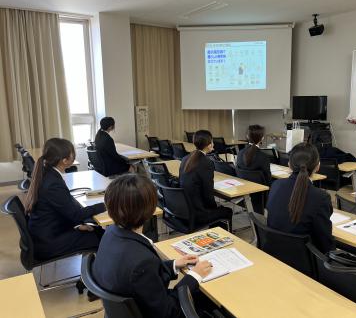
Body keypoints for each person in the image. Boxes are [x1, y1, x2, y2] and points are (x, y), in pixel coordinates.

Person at [92, 174, 214, 317]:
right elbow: (169, 312)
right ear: (150, 209)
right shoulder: (141, 262)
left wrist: (173, 264)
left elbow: (144, 280)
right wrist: (194, 275)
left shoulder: (110, 233)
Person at [25, 138, 105, 261]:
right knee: (100, 235)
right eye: (72, 154)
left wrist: (77, 225)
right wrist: (105, 205)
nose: (74, 156)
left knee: (96, 229)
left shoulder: (46, 173)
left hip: (45, 233)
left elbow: (63, 211)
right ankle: (93, 275)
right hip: (48, 243)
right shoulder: (53, 184)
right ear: (64, 161)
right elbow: (76, 214)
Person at [266, 143, 334, 253]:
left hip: (273, 251)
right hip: (304, 262)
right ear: (318, 166)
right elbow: (325, 244)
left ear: (289, 164)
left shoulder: (276, 185)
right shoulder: (321, 197)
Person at [179, 130, 233, 230]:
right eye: (212, 141)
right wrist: (215, 209)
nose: (213, 144)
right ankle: (219, 236)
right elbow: (208, 194)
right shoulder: (206, 162)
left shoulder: (185, 158)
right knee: (227, 211)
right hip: (198, 213)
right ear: (208, 145)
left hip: (185, 209)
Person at [236, 125, 271, 214]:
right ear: (262, 138)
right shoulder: (263, 157)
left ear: (247, 136)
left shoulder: (240, 153)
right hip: (261, 193)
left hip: (244, 190)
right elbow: (268, 179)